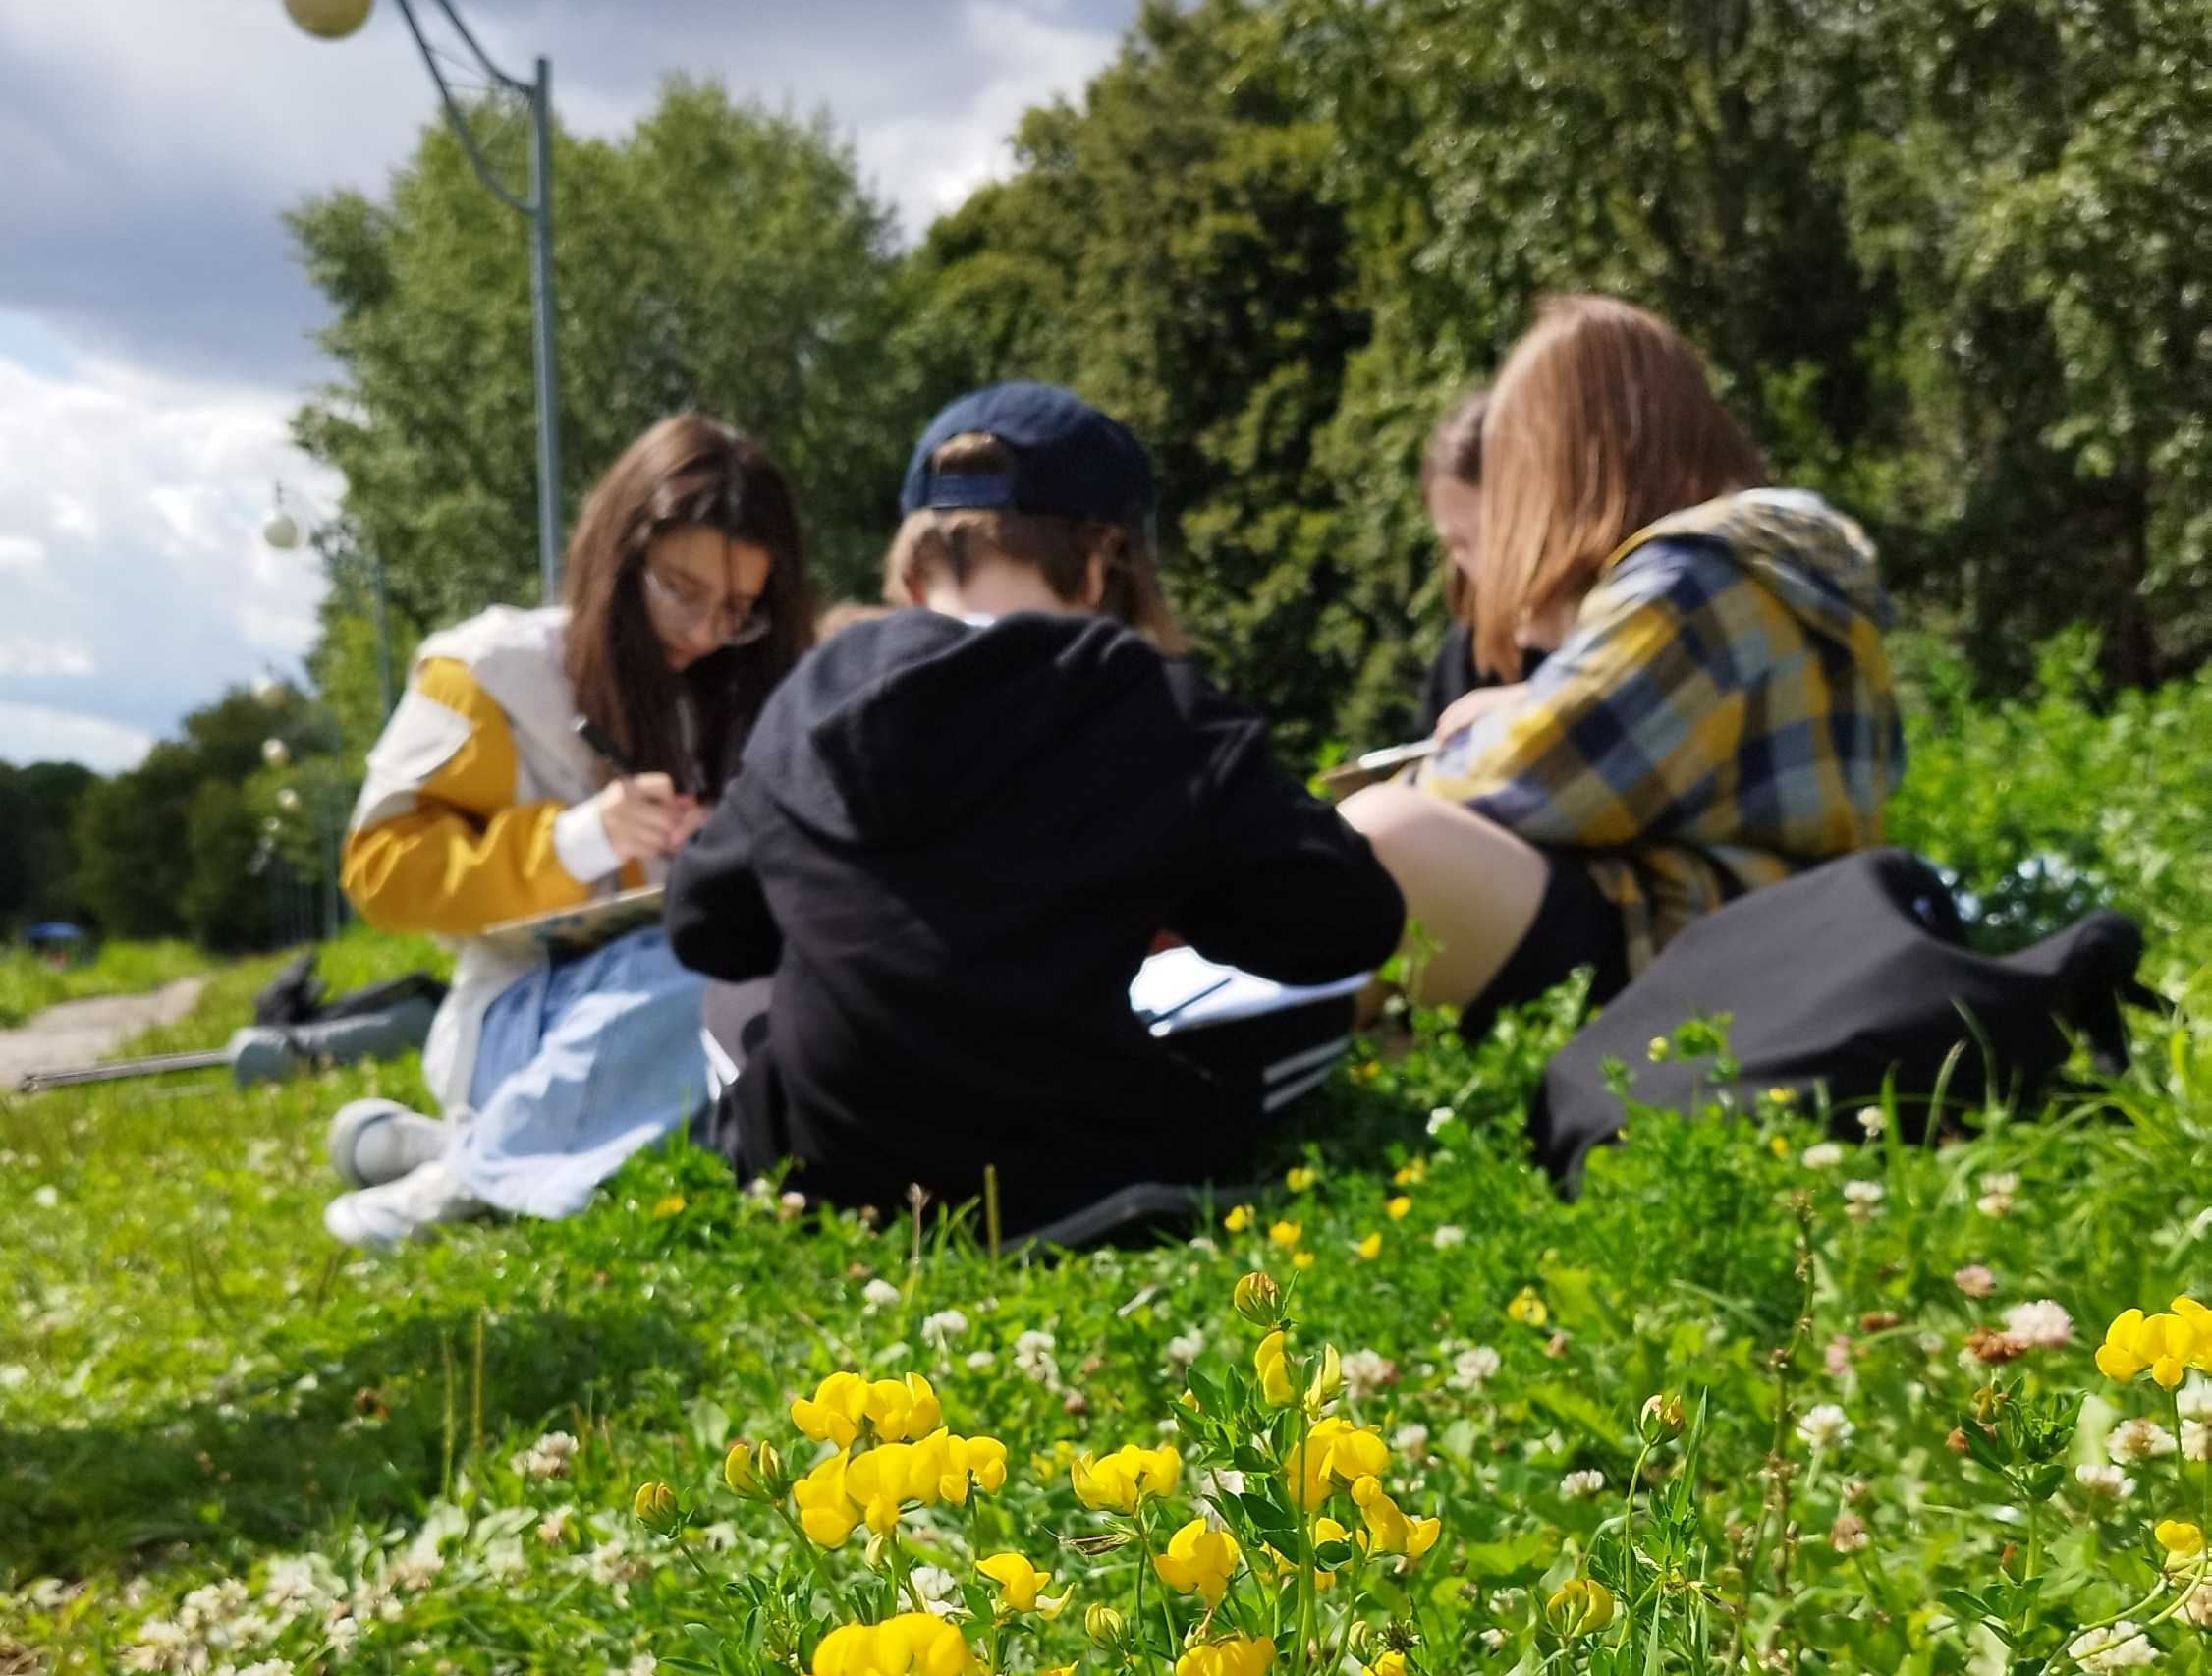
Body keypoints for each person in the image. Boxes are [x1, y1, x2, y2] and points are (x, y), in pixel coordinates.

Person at [660, 380, 1403, 1242]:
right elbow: (1350, 923)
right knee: (1303, 1017)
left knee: (734, 998)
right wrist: (1174, 894)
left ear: (909, 573)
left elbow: (705, 927)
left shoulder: (811, 694)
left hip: (834, 1171)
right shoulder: (1147, 703)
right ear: (1101, 567)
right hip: (1084, 1170)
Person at [1340, 297, 1900, 1041]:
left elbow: (1534, 782)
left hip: (1735, 954)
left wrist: (1334, 824)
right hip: (1801, 938)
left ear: (1571, 456)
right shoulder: (1770, 562)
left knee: (1385, 835)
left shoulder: (1693, 576)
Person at [322, 414, 808, 1249]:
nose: (702, 632)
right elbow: (380, 870)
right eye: (680, 592)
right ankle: (461, 1184)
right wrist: (577, 842)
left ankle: (466, 1147)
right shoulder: (489, 672)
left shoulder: (741, 689)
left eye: (736, 608)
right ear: (615, 558)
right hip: (523, 1010)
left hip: (670, 1012)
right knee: (689, 981)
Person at [1416, 387, 1487, 744]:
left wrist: (1530, 702)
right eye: (1457, 544)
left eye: (1492, 534)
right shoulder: (1463, 649)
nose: (1480, 563)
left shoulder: (1611, 605)